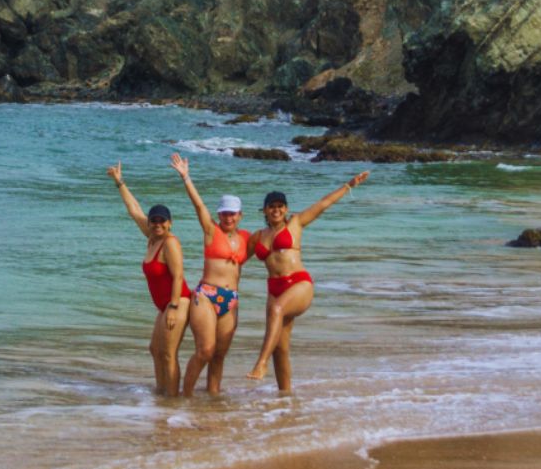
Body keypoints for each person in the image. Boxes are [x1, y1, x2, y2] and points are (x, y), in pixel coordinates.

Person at [246, 172, 370, 391]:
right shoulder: (257, 236)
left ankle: (260, 363)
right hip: (274, 289)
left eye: (280, 206)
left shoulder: (295, 223)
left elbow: (323, 204)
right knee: (280, 349)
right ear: (264, 210)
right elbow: (234, 260)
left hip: (298, 284)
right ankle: (285, 397)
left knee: (276, 309)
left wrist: (348, 185)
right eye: (272, 207)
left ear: (286, 209)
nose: (276, 210)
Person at [108, 161, 197, 396]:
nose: (157, 224)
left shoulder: (170, 243)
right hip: (165, 305)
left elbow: (178, 276)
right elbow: (134, 209)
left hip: (178, 302)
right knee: (155, 350)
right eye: (154, 221)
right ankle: (161, 393)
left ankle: (173, 399)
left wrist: (174, 308)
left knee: (168, 353)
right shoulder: (152, 238)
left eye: (162, 221)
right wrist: (119, 182)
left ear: (170, 223)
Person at [170, 152, 248, 395]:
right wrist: (186, 177)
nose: (228, 217)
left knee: (219, 356)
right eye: (224, 213)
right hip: (206, 295)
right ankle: (185, 397)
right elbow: (199, 205)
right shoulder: (211, 230)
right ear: (219, 214)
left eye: (232, 213)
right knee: (205, 350)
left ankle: (214, 400)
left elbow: (271, 244)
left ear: (240, 215)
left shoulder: (247, 239)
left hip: (231, 300)